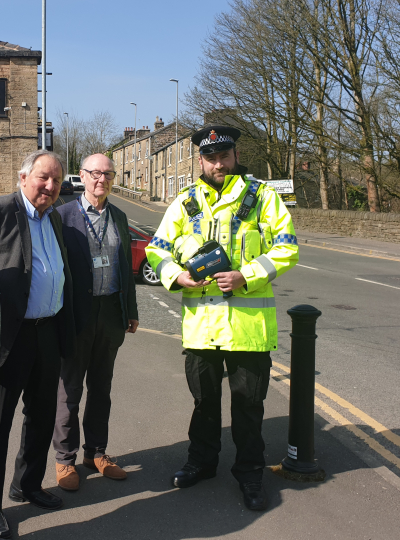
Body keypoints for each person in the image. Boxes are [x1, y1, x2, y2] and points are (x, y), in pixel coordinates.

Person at [145, 125, 299, 511]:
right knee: (204, 403)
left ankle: (250, 474)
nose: (218, 164)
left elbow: (287, 247)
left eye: (224, 156)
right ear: (201, 160)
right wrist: (174, 275)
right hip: (201, 328)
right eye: (211, 158)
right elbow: (157, 249)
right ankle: (202, 462)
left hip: (248, 329)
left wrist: (246, 275)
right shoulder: (184, 201)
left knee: (249, 406)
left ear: (234, 156)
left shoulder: (260, 196)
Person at [0, 149, 75, 539]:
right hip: (8, 337)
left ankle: (27, 485)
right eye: (43, 178)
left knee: (42, 415)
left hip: (47, 331)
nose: (50, 186)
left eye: (56, 181)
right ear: (23, 177)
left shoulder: (55, 218)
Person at [52, 154, 139, 491]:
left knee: (101, 389)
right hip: (77, 315)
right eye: (95, 173)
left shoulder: (118, 215)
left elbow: (126, 271)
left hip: (111, 314)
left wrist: (130, 310)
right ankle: (64, 459)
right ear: (82, 176)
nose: (101, 179)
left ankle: (96, 453)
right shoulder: (63, 216)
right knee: (69, 391)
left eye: (107, 173)